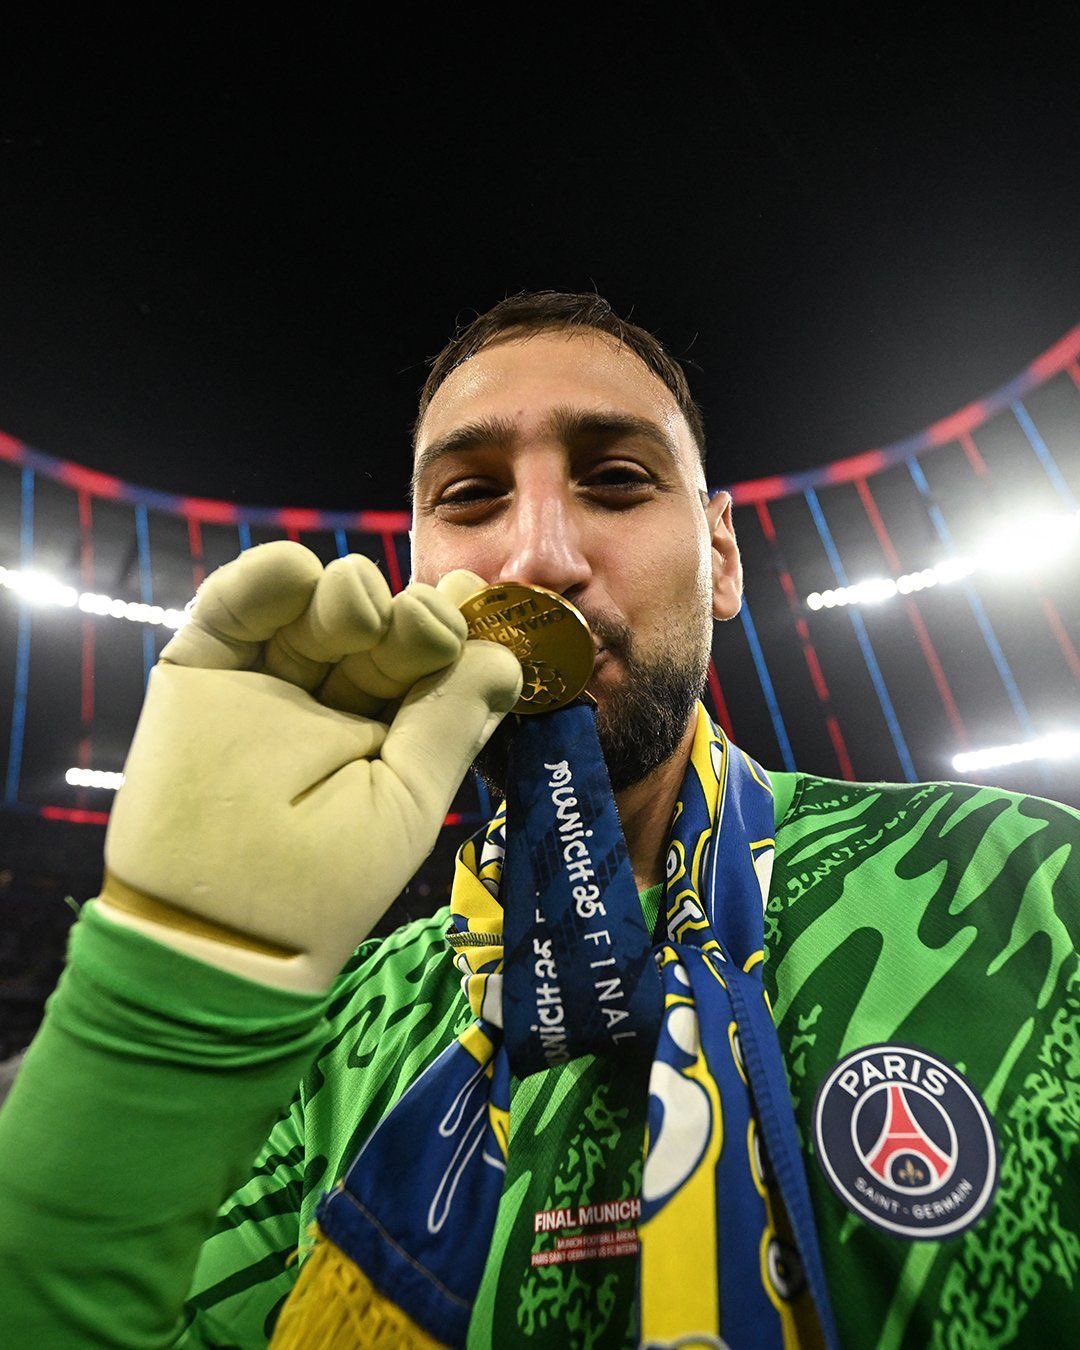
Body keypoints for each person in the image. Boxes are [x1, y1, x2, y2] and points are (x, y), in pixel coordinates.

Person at [0, 292, 1076, 1348]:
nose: (539, 559)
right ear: (413, 572)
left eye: (616, 481)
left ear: (724, 557)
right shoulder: (320, 1038)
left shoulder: (1031, 888)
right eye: (469, 497)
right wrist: (165, 995)